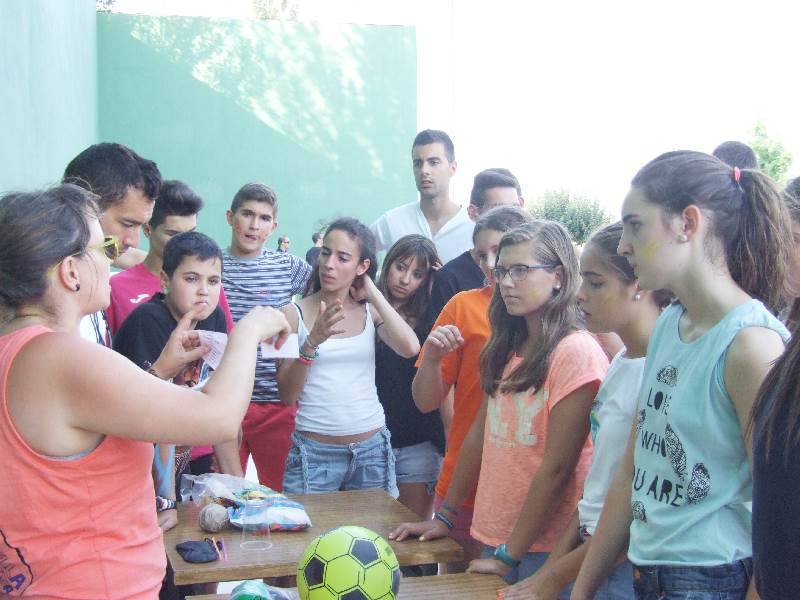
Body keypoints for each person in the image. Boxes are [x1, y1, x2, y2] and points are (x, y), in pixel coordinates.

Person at [0, 184, 290, 598]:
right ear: (70, 272)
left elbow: (87, 437)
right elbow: (217, 418)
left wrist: (160, 371)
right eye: (106, 249)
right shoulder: (59, 357)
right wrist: (248, 330)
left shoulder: (19, 352)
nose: (115, 260)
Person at [571, 151, 791, 600]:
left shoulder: (752, 345)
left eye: (635, 225)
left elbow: (783, 514)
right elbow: (634, 466)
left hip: (713, 577)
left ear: (687, 224)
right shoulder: (669, 324)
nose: (624, 245)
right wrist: (582, 589)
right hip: (648, 572)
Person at [392, 220, 609, 594]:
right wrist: (445, 515)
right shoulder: (507, 345)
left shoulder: (575, 350)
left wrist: (511, 555)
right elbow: (479, 433)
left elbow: (558, 467)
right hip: (499, 534)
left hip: (544, 546)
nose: (506, 281)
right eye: (503, 270)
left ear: (558, 276)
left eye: (521, 271)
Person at [501, 222, 671, 599]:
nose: (579, 296)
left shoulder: (660, 374)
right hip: (588, 555)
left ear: (639, 284)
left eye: (595, 283)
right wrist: (548, 573)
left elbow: (635, 512)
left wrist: (557, 576)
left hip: (621, 567)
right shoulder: (622, 361)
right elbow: (596, 493)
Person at [411, 205, 534, 573]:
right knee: (459, 581)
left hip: (526, 485)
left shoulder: (547, 316)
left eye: (498, 251)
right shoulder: (463, 306)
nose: (490, 263)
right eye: (481, 254)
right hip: (464, 485)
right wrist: (432, 357)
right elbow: (424, 401)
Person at [277, 218, 420, 495]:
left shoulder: (370, 310)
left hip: (372, 450)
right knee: (311, 538)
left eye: (343, 258)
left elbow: (410, 347)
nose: (329, 264)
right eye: (326, 253)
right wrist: (312, 342)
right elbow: (286, 394)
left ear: (362, 266)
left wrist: (373, 293)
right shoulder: (290, 314)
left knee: (375, 537)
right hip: (314, 455)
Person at [222, 183, 312, 490]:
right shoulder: (213, 265)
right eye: (247, 214)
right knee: (224, 494)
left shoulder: (287, 266)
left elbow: (327, 288)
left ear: (273, 227)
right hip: (224, 398)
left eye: (263, 218)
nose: (253, 224)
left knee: (281, 493)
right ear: (230, 217)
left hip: (275, 402)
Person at [63, 142, 162, 346]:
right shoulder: (47, 296)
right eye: (127, 224)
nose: (133, 241)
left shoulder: (97, 269)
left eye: (140, 226)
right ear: (83, 207)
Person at [106, 179, 234, 335]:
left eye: (191, 232)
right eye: (174, 234)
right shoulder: (117, 287)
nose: (186, 242)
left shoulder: (208, 285)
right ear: (147, 229)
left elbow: (226, 344)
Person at [375, 234, 444, 520]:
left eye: (418, 274)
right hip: (372, 443)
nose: (405, 280)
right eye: (400, 267)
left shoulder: (432, 319)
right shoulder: (367, 309)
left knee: (412, 535)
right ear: (388, 263)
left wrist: (442, 282)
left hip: (418, 443)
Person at [424, 168, 525, 330]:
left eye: (514, 208)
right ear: (473, 212)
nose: (509, 219)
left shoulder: (541, 282)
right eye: (498, 209)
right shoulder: (452, 281)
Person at [371, 129, 473, 264]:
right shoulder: (393, 221)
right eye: (418, 163)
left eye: (434, 162)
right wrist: (369, 285)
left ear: (453, 168)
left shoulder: (472, 226)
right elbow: (354, 251)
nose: (424, 171)